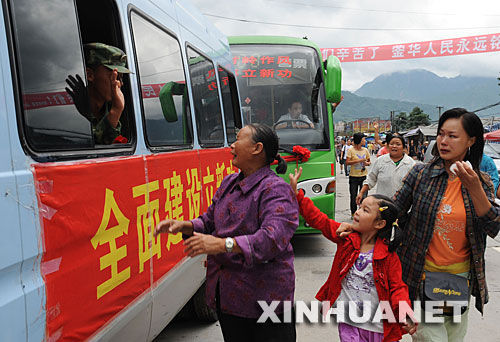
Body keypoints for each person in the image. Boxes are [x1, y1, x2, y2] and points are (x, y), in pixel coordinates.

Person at [154, 123, 298, 341]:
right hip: (229, 296)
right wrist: (187, 226)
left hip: (266, 301)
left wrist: (223, 244)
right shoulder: (230, 182)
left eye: (238, 139)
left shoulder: (276, 189)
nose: (232, 145)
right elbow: (210, 219)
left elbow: (272, 239)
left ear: (257, 148)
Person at [392, 108, 500, 341]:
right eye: (441, 134)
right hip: (421, 276)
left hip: (459, 281)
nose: (443, 141)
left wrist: (474, 189)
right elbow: (393, 210)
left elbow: (493, 226)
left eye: (452, 136)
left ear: (471, 140)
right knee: (431, 338)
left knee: (453, 338)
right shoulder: (420, 174)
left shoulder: (480, 181)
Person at [289, 168, 417, 342]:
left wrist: (405, 312)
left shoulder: (388, 256)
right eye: (360, 207)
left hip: (378, 326)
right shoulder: (346, 238)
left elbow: (397, 288)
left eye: (365, 210)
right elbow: (320, 221)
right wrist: (298, 195)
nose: (357, 212)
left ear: (379, 223)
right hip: (349, 321)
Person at [65, 42, 131, 144]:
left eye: (121, 78)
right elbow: (88, 144)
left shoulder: (120, 112)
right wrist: (116, 111)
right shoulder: (72, 114)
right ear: (90, 75)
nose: (120, 83)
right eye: (115, 76)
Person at [356, 135, 415, 204]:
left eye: (398, 144)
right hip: (382, 203)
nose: (394, 146)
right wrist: (361, 193)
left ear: (403, 147)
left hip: (402, 205)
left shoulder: (410, 163)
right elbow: (371, 179)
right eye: (391, 144)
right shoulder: (381, 160)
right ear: (387, 146)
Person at [346, 133, 370, 216]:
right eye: (364, 139)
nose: (365, 141)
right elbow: (347, 162)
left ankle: (362, 212)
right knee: (353, 196)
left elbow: (369, 162)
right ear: (359, 140)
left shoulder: (365, 150)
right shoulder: (351, 150)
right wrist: (359, 161)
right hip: (353, 177)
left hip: (363, 176)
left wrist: (366, 163)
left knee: (364, 196)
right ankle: (353, 213)